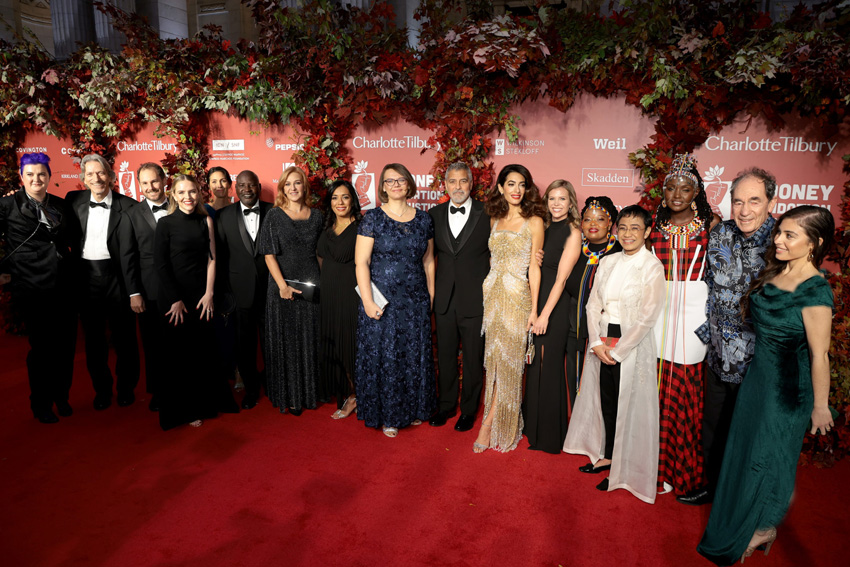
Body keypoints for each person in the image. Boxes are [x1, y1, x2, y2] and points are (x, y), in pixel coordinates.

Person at [698, 205, 835, 565]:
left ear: (814, 243)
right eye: (779, 232)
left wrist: (820, 406)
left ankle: (764, 527)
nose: (778, 240)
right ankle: (742, 516)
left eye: (790, 235)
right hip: (757, 379)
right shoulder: (775, 269)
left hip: (787, 391)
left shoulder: (815, 291)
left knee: (770, 459)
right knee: (745, 452)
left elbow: (820, 355)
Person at [681, 168, 778, 506]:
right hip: (717, 354)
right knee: (713, 429)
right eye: (738, 201)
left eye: (754, 201)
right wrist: (706, 335)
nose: (745, 210)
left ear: (771, 202)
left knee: (748, 435)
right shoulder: (720, 232)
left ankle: (741, 502)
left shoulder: (780, 242)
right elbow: (708, 287)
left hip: (756, 362)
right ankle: (713, 489)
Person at [564, 205, 666, 502]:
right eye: (622, 227)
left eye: (635, 228)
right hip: (603, 338)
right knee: (606, 400)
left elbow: (648, 317)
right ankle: (607, 455)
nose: (628, 234)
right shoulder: (607, 261)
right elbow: (592, 305)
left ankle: (623, 467)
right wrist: (596, 342)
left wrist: (619, 351)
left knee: (627, 407)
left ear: (647, 232)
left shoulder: (651, 266)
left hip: (631, 343)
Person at [650, 153, 720, 496]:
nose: (677, 194)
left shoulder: (711, 225)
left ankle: (682, 470)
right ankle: (654, 467)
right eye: (671, 188)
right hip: (659, 312)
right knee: (657, 387)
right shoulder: (654, 225)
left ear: (696, 193)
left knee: (685, 388)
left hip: (694, 313)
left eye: (685, 189)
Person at [354, 163, 436, 438]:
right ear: (383, 187)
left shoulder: (424, 219)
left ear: (409, 183)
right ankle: (389, 415)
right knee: (387, 356)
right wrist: (368, 301)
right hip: (382, 301)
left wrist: (431, 294)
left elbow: (428, 261)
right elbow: (361, 262)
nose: (396, 184)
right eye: (390, 181)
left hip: (415, 300)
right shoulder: (372, 218)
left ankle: (414, 409)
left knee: (413, 355)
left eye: (401, 180)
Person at [154, 174, 238, 429]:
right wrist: (175, 299)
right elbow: (161, 264)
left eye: (192, 192)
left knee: (202, 352)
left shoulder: (205, 221)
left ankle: (205, 404)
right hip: (174, 298)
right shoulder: (165, 223)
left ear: (199, 193)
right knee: (179, 356)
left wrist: (209, 293)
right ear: (173, 195)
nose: (187, 197)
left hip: (201, 296)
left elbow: (212, 259)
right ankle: (185, 410)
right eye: (181, 192)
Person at [473, 164, 546, 453]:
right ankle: (494, 417)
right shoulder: (494, 218)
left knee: (510, 362)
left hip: (517, 299)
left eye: (522, 184)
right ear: (501, 187)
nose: (517, 190)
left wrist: (535, 310)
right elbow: (493, 260)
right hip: (492, 296)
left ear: (527, 189)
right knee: (493, 360)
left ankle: (490, 423)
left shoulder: (535, 221)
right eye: (511, 184)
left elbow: (535, 269)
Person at [0, 153, 77, 423]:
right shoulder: (8, 204)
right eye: (30, 174)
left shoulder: (60, 204)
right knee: (42, 348)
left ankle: (61, 396)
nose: (36, 179)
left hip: (64, 285)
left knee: (65, 347)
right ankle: (40, 404)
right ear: (21, 177)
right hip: (32, 287)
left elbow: (70, 239)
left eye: (41, 174)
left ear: (49, 176)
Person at [66, 153, 140, 410]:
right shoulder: (72, 200)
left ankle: (126, 388)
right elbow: (44, 205)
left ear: (110, 176)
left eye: (101, 173)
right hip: (87, 279)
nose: (96, 178)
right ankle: (102, 390)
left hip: (118, 278)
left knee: (125, 339)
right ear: (84, 179)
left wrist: (134, 290)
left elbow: (136, 252)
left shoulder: (128, 206)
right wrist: (14, 197)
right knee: (94, 341)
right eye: (90, 174)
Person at [428, 162, 491, 432]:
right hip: (444, 298)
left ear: (471, 184)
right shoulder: (433, 214)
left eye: (463, 181)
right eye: (452, 182)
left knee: (473, 359)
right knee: (445, 355)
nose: (457, 187)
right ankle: (446, 405)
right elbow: (427, 258)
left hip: (475, 298)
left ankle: (468, 410)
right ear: (445, 185)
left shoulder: (487, 213)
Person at [259, 166, 322, 416]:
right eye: (288, 184)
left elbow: (320, 254)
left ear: (304, 186)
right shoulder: (274, 216)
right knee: (287, 341)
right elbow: (269, 255)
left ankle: (310, 393)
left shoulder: (317, 216)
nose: (293, 188)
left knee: (309, 338)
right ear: (282, 188)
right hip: (282, 287)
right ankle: (291, 396)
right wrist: (283, 286)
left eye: (297, 183)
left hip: (311, 287)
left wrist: (324, 284)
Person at [524, 180, 581, 453]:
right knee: (535, 364)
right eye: (552, 199)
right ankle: (533, 428)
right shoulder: (544, 228)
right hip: (537, 300)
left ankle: (550, 437)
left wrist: (544, 315)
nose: (556, 204)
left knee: (549, 366)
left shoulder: (573, 232)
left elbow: (562, 279)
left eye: (562, 199)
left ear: (571, 203)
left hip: (555, 307)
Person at [215, 170, 272, 410]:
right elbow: (220, 258)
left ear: (258, 186)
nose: (247, 189)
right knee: (245, 347)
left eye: (251, 185)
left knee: (272, 345)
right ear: (235, 188)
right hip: (240, 293)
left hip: (271, 292)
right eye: (241, 185)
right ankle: (251, 390)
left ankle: (274, 386)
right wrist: (225, 293)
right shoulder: (223, 216)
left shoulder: (274, 212)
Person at [120, 162, 171, 411]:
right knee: (153, 345)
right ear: (139, 185)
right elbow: (128, 257)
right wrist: (134, 293)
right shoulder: (131, 214)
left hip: (182, 287)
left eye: (154, 181)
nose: (150, 187)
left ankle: (183, 388)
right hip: (149, 291)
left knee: (180, 343)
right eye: (145, 183)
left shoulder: (181, 204)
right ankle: (159, 392)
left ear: (164, 180)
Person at [564, 196, 622, 409]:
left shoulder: (621, 252)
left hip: (607, 335)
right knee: (575, 384)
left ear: (610, 223)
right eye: (587, 219)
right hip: (575, 331)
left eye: (600, 219)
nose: (593, 224)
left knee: (604, 391)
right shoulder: (574, 250)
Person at [317, 180, 362, 419]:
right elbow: (321, 258)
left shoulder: (362, 227)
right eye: (335, 197)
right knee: (334, 345)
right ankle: (345, 393)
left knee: (350, 346)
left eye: (345, 197)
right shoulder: (327, 226)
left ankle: (358, 395)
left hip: (350, 295)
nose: (340, 202)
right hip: (329, 294)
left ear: (353, 200)